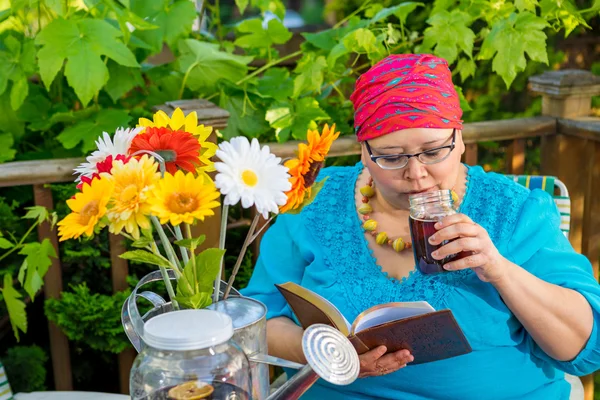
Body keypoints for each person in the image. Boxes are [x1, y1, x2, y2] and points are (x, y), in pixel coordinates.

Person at [241, 53, 600, 399]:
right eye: (391, 157)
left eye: (433, 151)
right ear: (363, 151)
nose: (416, 174)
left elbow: (582, 346)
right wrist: (325, 354)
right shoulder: (313, 201)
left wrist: (499, 269)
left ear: (459, 139)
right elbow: (257, 321)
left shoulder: (516, 210)